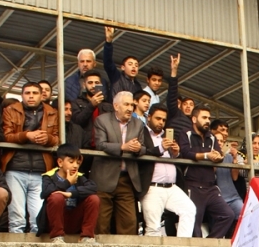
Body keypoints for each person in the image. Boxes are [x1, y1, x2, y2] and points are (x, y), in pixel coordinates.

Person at [1, 82, 60, 235]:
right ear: (22, 95)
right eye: (27, 93)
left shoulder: (53, 112)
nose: (31, 96)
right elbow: (5, 137)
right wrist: (26, 135)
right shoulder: (10, 110)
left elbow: (58, 139)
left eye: (35, 93)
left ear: (42, 95)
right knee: (16, 218)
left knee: (37, 219)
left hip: (41, 169)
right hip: (16, 167)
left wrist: (47, 138)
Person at [92, 90, 147, 236]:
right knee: (101, 221)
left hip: (127, 179)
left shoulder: (138, 124)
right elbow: (100, 144)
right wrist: (123, 147)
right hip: (104, 178)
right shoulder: (101, 120)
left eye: (131, 105)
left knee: (129, 221)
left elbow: (143, 148)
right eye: (126, 104)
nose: (130, 108)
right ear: (116, 106)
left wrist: (138, 149)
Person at [177, 106, 234, 239]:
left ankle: (210, 243)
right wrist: (206, 156)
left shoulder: (212, 137)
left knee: (228, 215)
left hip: (210, 186)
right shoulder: (185, 133)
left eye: (209, 118)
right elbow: (185, 153)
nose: (207, 121)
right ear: (194, 119)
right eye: (204, 118)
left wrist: (219, 157)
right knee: (195, 223)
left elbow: (218, 154)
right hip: (193, 185)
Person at [140, 105, 195, 237]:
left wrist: (176, 153)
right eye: (158, 118)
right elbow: (139, 152)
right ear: (149, 117)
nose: (161, 122)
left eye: (164, 120)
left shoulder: (167, 135)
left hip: (171, 186)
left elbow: (177, 159)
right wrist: (160, 148)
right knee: (153, 227)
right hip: (152, 186)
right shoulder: (141, 132)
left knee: (189, 210)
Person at [35, 144, 99, 244]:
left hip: (73, 220)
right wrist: (67, 183)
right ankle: (57, 237)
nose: (75, 165)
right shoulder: (49, 176)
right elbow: (45, 193)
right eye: (71, 162)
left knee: (93, 198)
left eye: (77, 162)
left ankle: (86, 237)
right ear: (60, 162)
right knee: (56, 197)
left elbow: (93, 188)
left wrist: (71, 194)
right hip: (55, 222)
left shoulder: (79, 177)